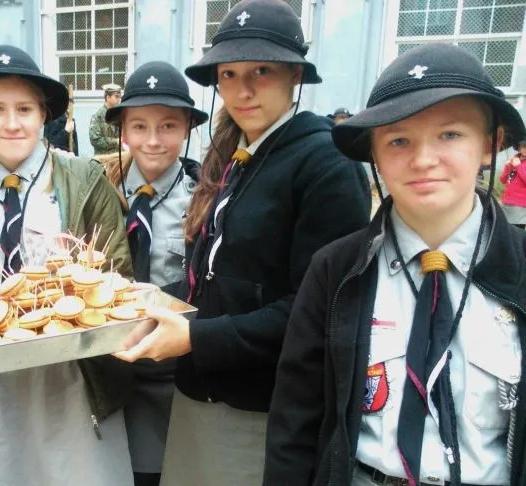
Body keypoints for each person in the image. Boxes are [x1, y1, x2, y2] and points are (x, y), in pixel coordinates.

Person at [113, 0, 371, 484]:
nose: (242, 89)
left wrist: (195, 337)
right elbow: (220, 278)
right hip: (201, 393)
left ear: (296, 74)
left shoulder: (325, 164)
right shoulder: (240, 156)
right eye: (228, 74)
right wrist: (161, 304)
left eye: (262, 71)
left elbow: (319, 310)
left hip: (259, 409)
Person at [265, 43, 526, 486]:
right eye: (399, 140)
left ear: (490, 144)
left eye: (450, 135)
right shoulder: (335, 271)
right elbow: (296, 420)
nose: (423, 160)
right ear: (375, 155)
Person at [0, 44, 134, 486]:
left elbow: (117, 272)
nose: (12, 123)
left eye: (24, 108)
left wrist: (81, 293)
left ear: (43, 114)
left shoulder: (85, 180)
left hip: (74, 371)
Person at [102, 61, 208, 486]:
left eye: (168, 126)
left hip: (168, 372)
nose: (152, 140)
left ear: (187, 129)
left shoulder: (205, 198)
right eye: (139, 126)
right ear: (123, 132)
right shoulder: (98, 189)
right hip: (103, 368)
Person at [499, 139, 526, 228]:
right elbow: (503, 180)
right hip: (506, 202)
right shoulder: (515, 159)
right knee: (505, 229)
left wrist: (518, 166)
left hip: (520, 204)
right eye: (523, 146)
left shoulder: (518, 163)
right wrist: (508, 166)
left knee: (517, 231)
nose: (524, 149)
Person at [90, 83, 122, 155]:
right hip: (103, 158)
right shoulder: (98, 116)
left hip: (118, 157)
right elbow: (95, 140)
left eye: (120, 97)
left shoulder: (119, 115)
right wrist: (115, 142)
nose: (119, 100)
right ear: (108, 97)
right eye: (116, 97)